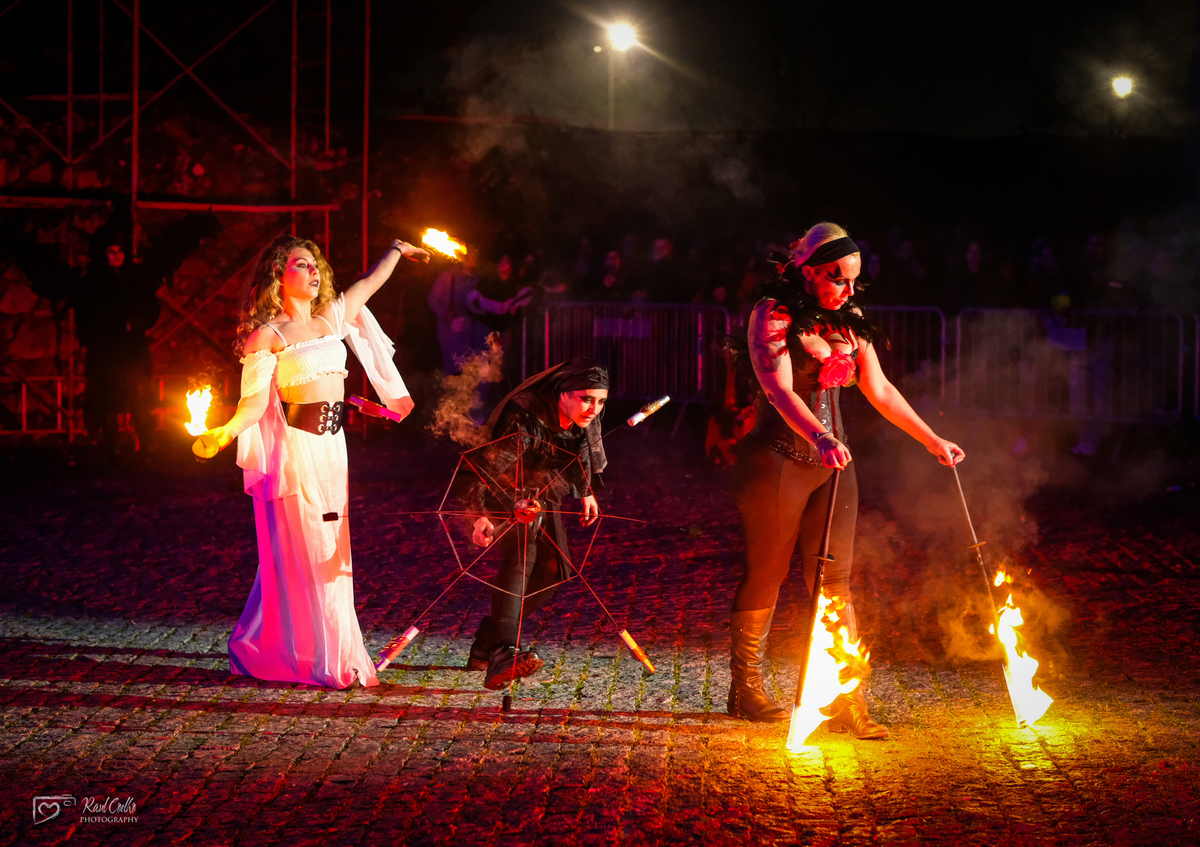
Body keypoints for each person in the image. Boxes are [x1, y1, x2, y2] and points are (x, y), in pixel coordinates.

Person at [729, 222, 964, 736]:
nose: (849, 290)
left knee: (834, 579)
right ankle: (746, 688)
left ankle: (846, 696)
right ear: (810, 272)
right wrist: (819, 436)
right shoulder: (772, 314)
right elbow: (779, 390)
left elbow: (880, 389)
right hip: (778, 459)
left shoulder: (850, 318)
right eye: (839, 279)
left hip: (833, 464)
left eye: (855, 280)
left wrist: (931, 440)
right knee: (768, 572)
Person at [200, 235, 429, 689]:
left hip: (333, 449)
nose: (313, 272)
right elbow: (252, 403)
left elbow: (369, 284)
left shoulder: (331, 319)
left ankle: (327, 648)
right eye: (301, 265)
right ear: (278, 275)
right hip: (298, 452)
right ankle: (321, 655)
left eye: (315, 265)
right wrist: (224, 433)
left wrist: (397, 251)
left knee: (332, 550)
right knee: (303, 549)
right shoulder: (268, 334)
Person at [463, 358, 609, 691]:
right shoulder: (526, 418)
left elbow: (579, 449)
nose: (593, 409)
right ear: (563, 394)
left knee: (555, 569)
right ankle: (504, 652)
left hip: (544, 489)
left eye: (601, 402)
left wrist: (585, 490)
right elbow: (485, 468)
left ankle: (488, 642)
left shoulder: (582, 419)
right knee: (523, 556)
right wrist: (480, 514)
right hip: (506, 491)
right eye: (586, 399)